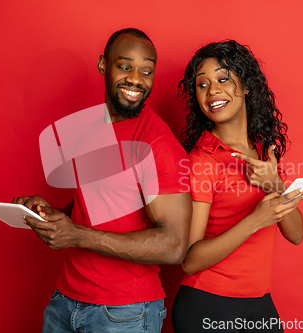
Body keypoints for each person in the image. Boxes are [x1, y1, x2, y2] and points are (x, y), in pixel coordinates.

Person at [13, 28, 192, 333]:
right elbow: (93, 205)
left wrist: (76, 236)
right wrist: (51, 215)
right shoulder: (89, 130)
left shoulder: (159, 144)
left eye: (146, 71)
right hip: (64, 302)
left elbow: (174, 245)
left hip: (125, 314)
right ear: (103, 65)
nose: (136, 79)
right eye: (125, 66)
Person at [171, 40, 303, 332]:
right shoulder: (202, 159)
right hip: (208, 304)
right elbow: (190, 260)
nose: (212, 91)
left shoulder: (262, 152)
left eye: (223, 79)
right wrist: (255, 220)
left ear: (245, 87)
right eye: (202, 85)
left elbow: (297, 235)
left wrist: (277, 185)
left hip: (259, 304)